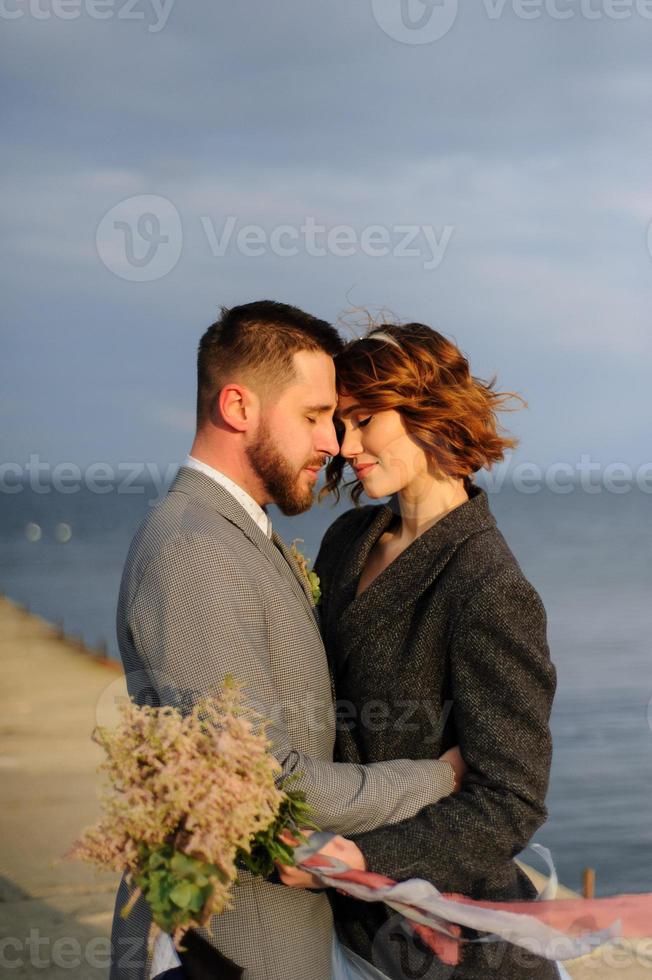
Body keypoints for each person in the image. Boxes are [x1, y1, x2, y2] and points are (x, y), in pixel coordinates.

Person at [109, 302, 466, 980]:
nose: (333, 442)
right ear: (239, 407)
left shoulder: (237, 532)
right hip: (227, 948)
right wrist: (439, 777)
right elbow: (272, 783)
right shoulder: (193, 548)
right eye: (313, 417)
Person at [284, 322, 561, 979]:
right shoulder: (349, 539)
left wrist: (364, 857)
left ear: (424, 411)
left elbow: (510, 803)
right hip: (343, 928)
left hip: (455, 949)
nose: (344, 445)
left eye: (362, 420)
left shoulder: (489, 586)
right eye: (337, 422)